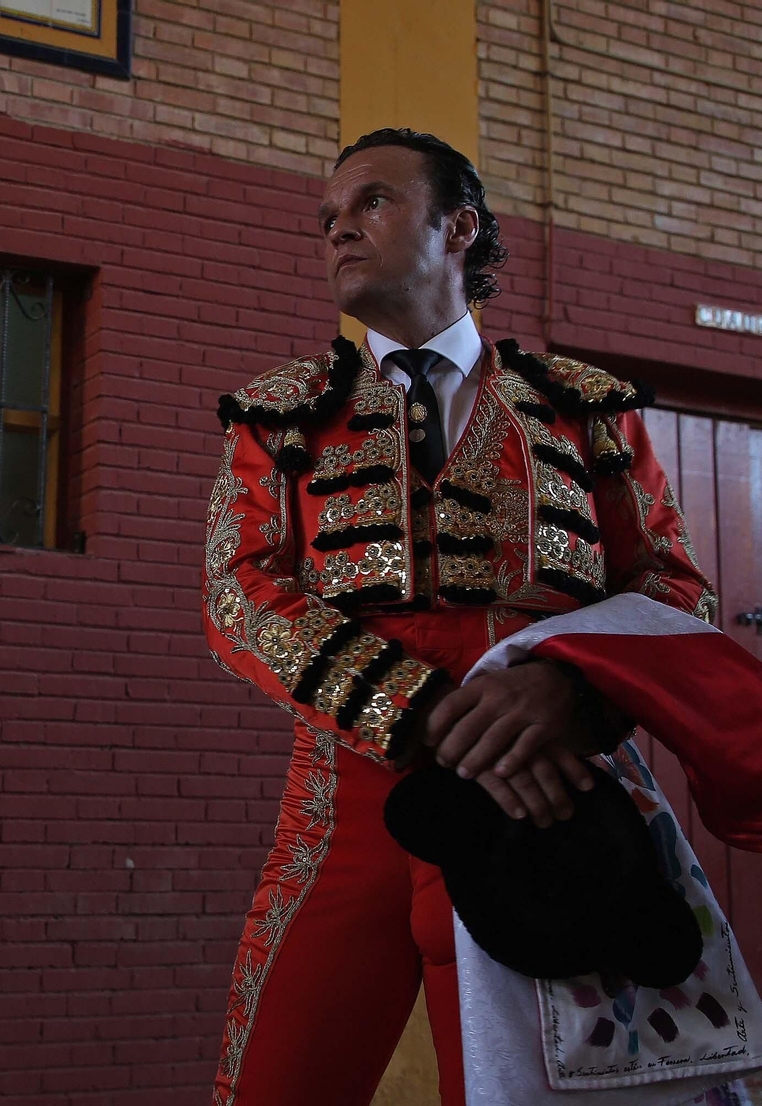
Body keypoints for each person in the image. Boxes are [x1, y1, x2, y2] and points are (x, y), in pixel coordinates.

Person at [201, 128, 714, 1106]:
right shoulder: (279, 417)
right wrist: (425, 711)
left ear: (459, 227)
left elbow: (676, 587)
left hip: (541, 803)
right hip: (341, 821)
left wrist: (569, 691)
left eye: (372, 203)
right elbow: (238, 594)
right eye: (327, 218)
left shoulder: (582, 409)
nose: (338, 229)